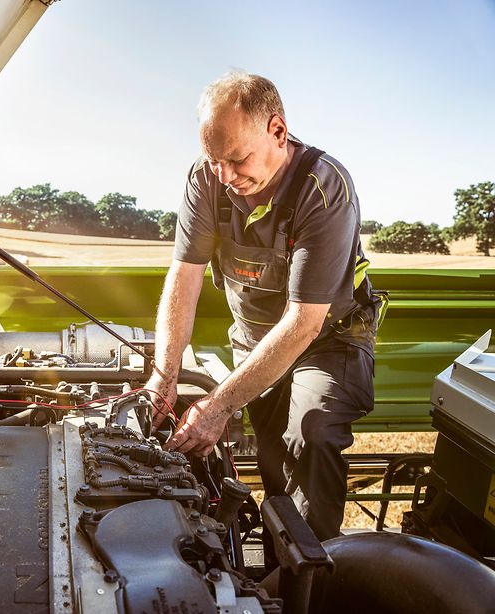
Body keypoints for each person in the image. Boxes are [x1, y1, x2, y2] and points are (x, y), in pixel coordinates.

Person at [146, 71, 382, 550]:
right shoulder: (206, 178)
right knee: (273, 457)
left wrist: (216, 407)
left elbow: (303, 323)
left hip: (327, 339)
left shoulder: (322, 188)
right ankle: (277, 568)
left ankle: (310, 581)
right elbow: (184, 276)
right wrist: (164, 375)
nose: (226, 177)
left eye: (236, 159)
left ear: (277, 131)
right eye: (215, 161)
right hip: (256, 341)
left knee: (311, 432)